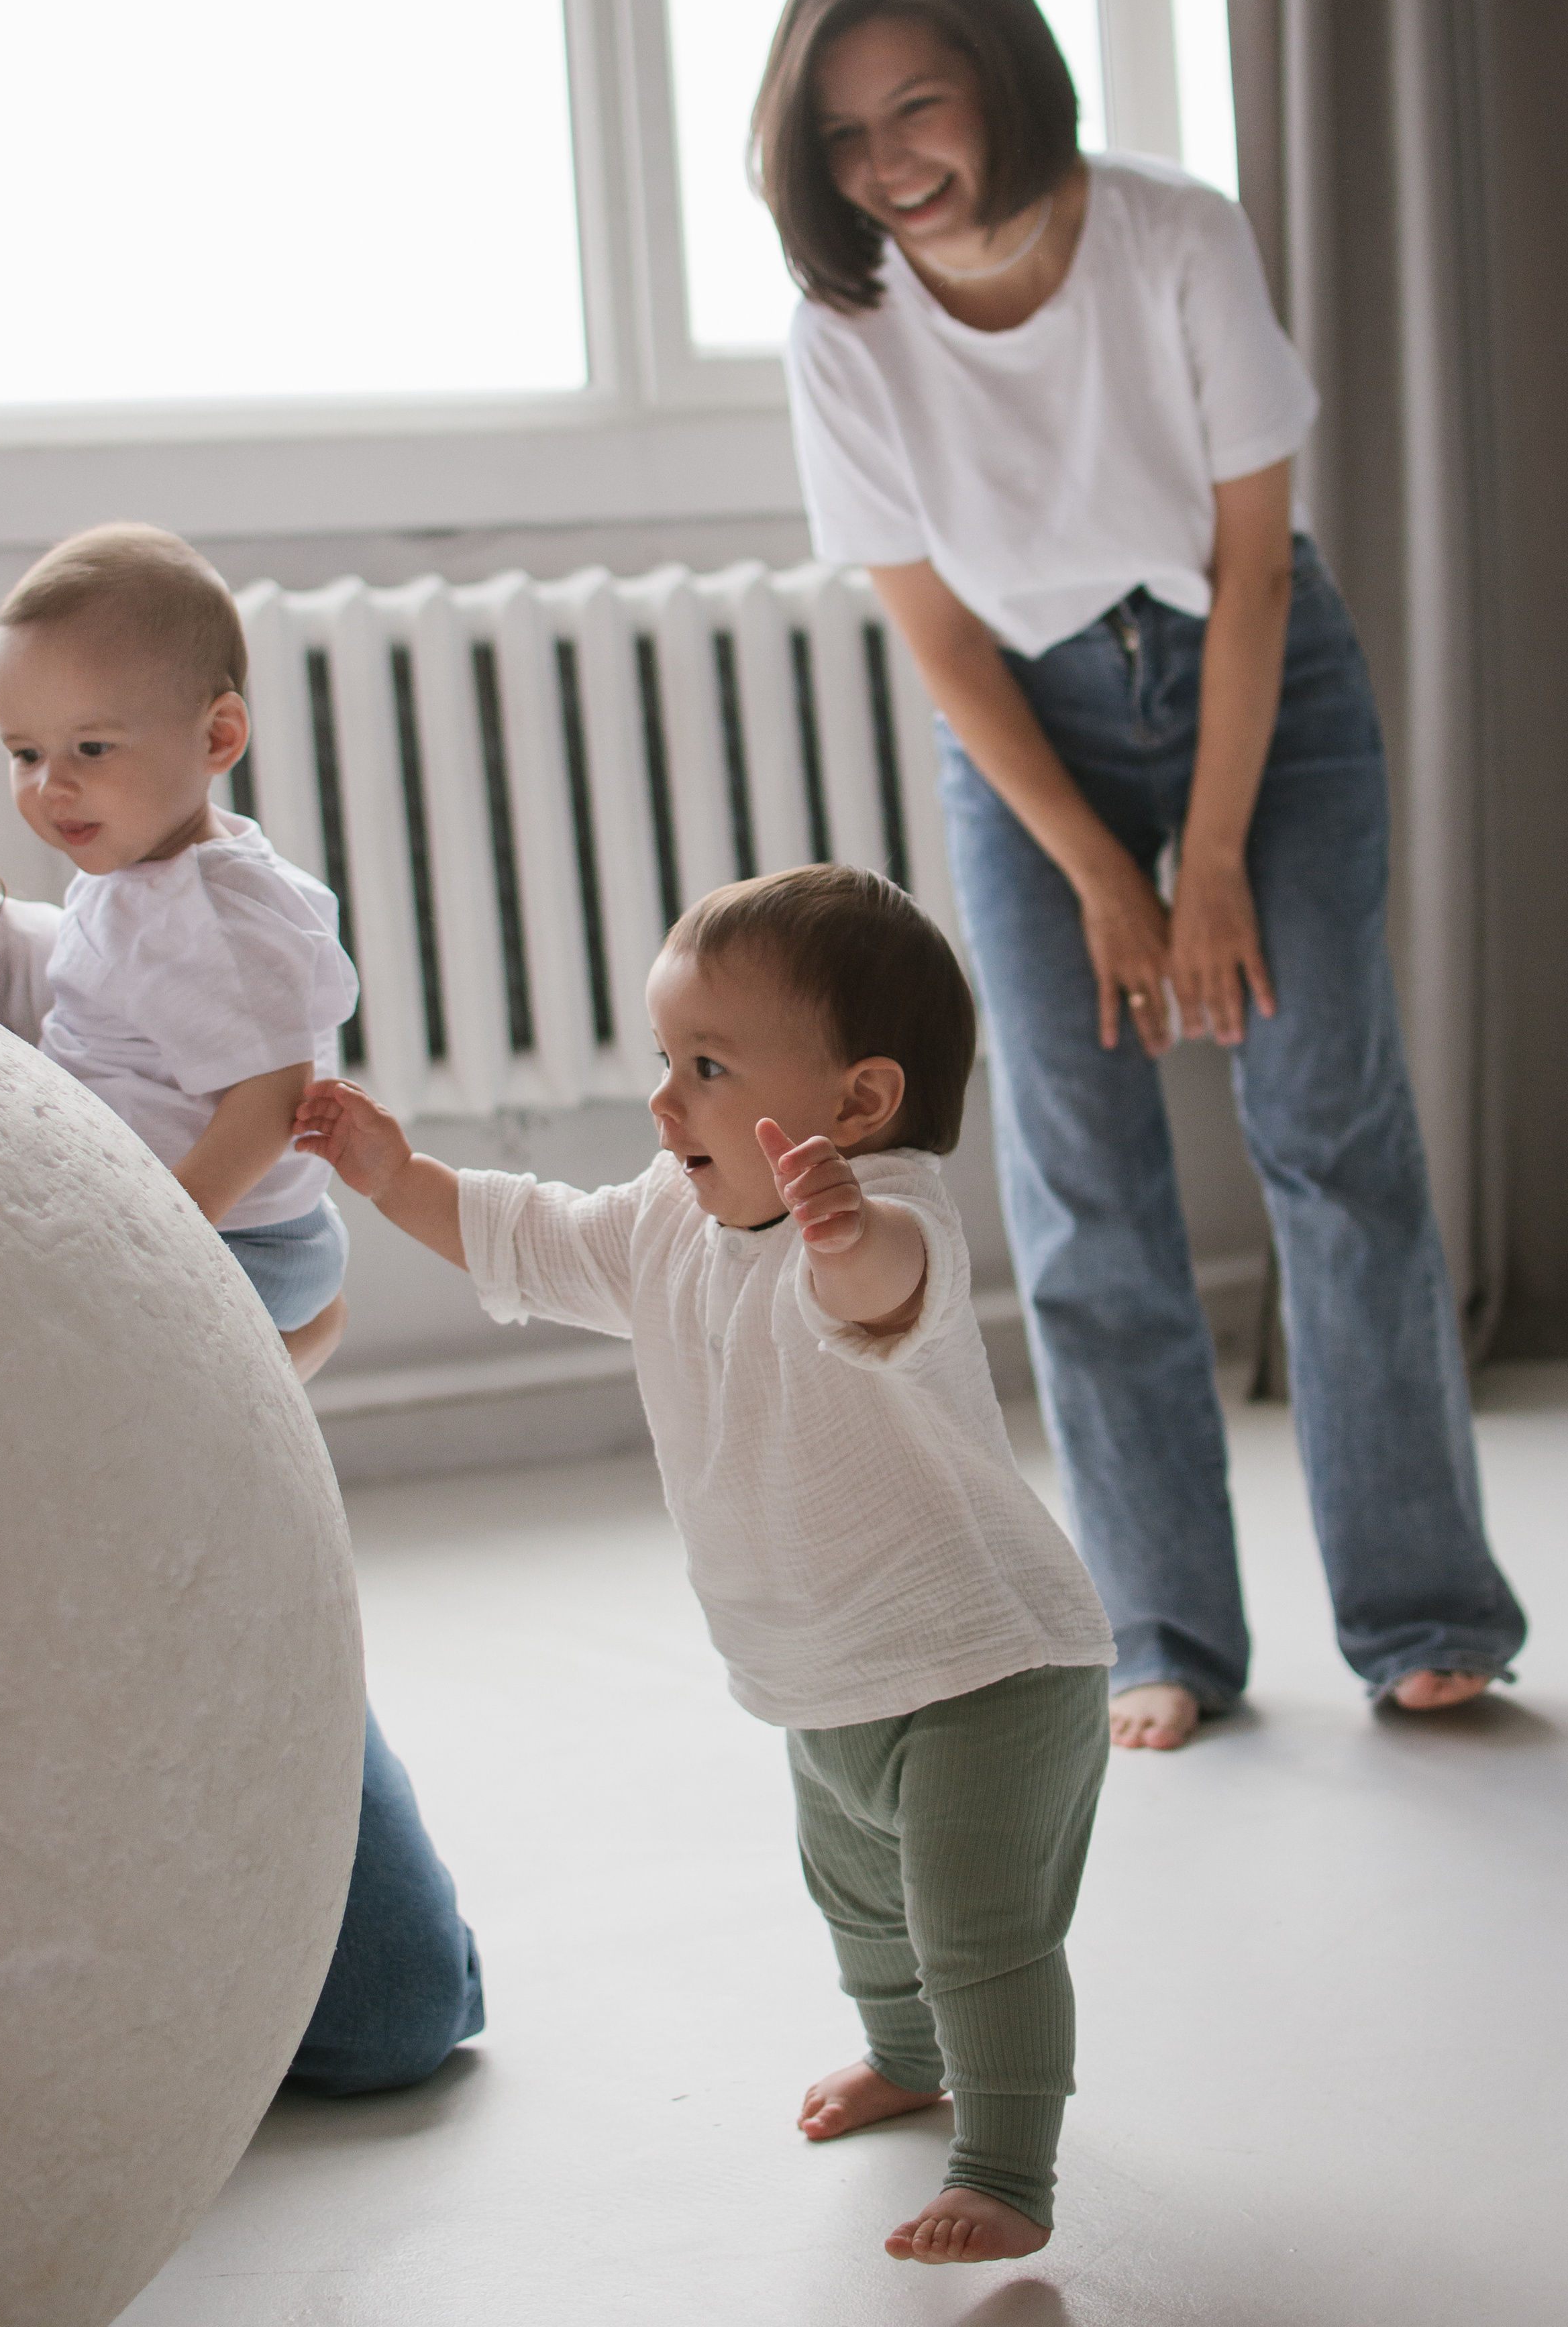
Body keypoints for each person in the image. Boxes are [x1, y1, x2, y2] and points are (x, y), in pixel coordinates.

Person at [757, 0, 1526, 1752]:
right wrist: (1112, 875)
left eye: (920, 107)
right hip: (1031, 737)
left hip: (1259, 683)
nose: (890, 164)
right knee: (1086, 1191)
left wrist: (1214, 856)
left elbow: (1256, 567)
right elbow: (939, 637)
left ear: (1005, 82)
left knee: (1331, 1139)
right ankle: (1163, 1630)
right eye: (847, 134)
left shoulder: (1173, 232)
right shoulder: (845, 328)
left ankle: (1424, 1614)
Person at [295, 863, 1116, 2266]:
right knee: (858, 1902)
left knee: (976, 1929)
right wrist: (393, 1176)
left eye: (707, 1066)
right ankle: (902, 2056)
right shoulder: (667, 1219)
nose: (663, 1101)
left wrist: (842, 1241)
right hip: (823, 1674)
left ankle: (1005, 2165)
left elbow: (881, 1291)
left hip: (989, 1664)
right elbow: (529, 1236)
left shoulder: (886, 1208)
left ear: (857, 1104)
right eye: (667, 1059)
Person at [0, 523, 482, 2093]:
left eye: (84, 751)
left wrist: (172, 1248)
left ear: (213, 740)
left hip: (229, 1271)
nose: (50, 788)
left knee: (392, 2006)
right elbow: (90, 1008)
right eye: (20, 753)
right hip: (179, 1323)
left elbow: (272, 1102)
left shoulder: (189, 904)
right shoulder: (117, 894)